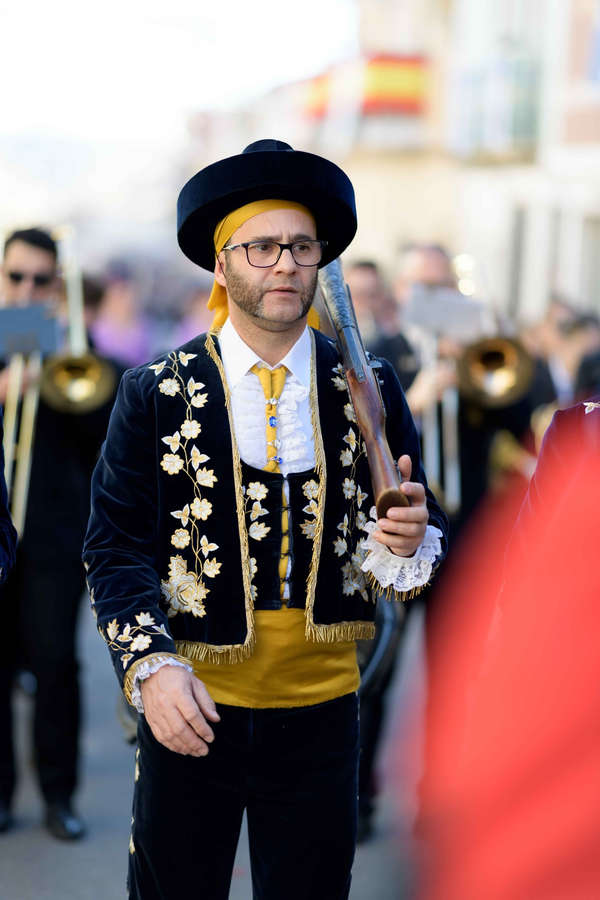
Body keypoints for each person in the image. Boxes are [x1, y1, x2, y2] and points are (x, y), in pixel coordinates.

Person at [83, 139, 448, 900]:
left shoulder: (370, 384)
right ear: (222, 265)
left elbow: (416, 543)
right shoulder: (155, 390)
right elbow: (114, 546)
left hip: (322, 711)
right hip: (190, 702)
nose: (285, 263)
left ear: (320, 260)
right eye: (262, 247)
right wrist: (150, 667)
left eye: (301, 246)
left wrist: (409, 540)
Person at [0, 227, 117, 839]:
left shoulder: (73, 347)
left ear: (56, 286)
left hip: (51, 533)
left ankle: (57, 797)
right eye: (16, 277)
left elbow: (100, 436)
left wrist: (57, 367)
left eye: (40, 280)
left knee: (55, 665)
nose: (27, 290)